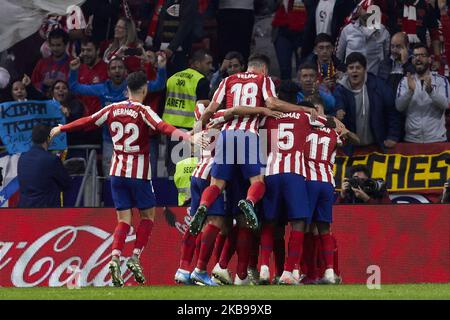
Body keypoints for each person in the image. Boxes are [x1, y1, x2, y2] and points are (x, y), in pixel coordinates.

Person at [50, 71, 196, 287]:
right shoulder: (143, 110)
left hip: (117, 174)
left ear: (127, 89)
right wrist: (187, 137)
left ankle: (115, 258)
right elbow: (163, 127)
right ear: (145, 89)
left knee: (123, 221)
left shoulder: (112, 108)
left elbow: (87, 121)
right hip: (139, 175)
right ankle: (135, 256)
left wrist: (62, 127)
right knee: (147, 218)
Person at [191, 53, 318, 284]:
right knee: (256, 183)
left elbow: (210, 108)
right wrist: (301, 109)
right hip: (248, 136)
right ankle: (249, 203)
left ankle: (203, 206)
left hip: (226, 136)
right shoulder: (263, 81)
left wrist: (199, 129)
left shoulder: (227, 81)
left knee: (217, 185)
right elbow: (272, 103)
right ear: (264, 71)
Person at [68, 54, 167, 175]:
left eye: (120, 67)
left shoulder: (134, 86)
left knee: (135, 176)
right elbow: (74, 87)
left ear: (126, 71)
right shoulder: (102, 88)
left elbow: (159, 85)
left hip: (134, 141)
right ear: (108, 72)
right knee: (110, 176)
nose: (117, 70)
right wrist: (74, 70)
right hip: (110, 141)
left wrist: (161, 67)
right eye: (113, 68)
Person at [302, 95, 358, 284]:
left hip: (309, 182)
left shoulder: (302, 131)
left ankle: (309, 273)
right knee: (324, 230)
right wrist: (343, 129)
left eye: (318, 111)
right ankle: (329, 272)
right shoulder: (333, 133)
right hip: (327, 183)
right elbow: (355, 140)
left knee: (307, 229)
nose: (316, 115)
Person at [334, 52, 402, 150]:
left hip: (376, 146)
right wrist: (338, 113)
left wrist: (392, 136)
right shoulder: (340, 90)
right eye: (351, 68)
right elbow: (335, 109)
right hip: (350, 149)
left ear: (365, 70)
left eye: (358, 68)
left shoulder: (380, 87)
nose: (354, 71)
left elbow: (392, 113)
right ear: (346, 71)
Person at [162, 49, 213, 177]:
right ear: (196, 63)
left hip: (169, 128)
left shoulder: (172, 78)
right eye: (207, 63)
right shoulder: (201, 80)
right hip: (189, 129)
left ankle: (171, 190)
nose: (210, 67)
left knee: (172, 164)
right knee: (187, 166)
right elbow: (203, 106)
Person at [395, 43, 450, 143]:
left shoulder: (441, 81)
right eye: (415, 56)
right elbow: (399, 106)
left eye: (422, 55)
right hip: (411, 140)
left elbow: (445, 104)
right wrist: (410, 92)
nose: (418, 58)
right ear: (412, 60)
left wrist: (431, 92)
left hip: (437, 139)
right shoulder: (405, 81)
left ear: (429, 59)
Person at [17, 124, 71, 208]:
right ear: (48, 139)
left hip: (24, 210)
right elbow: (67, 184)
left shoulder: (22, 158)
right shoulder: (52, 159)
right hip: (46, 213)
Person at [335, 2, 390, 75]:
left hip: (374, 79)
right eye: (366, 10)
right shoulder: (347, 30)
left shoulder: (384, 32)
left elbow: (386, 59)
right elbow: (338, 56)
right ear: (359, 10)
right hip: (350, 78)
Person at [271, 0, 307, 80]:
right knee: (284, 68)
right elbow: (268, 7)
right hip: (282, 31)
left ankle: (301, 91)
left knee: (303, 69)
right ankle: (286, 90)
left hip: (302, 32)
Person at [31, 29, 71, 95]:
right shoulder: (41, 63)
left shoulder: (73, 64)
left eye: (58, 45)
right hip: (45, 102)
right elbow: (32, 86)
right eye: (52, 45)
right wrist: (43, 84)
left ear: (66, 45)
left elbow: (78, 87)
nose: (55, 49)